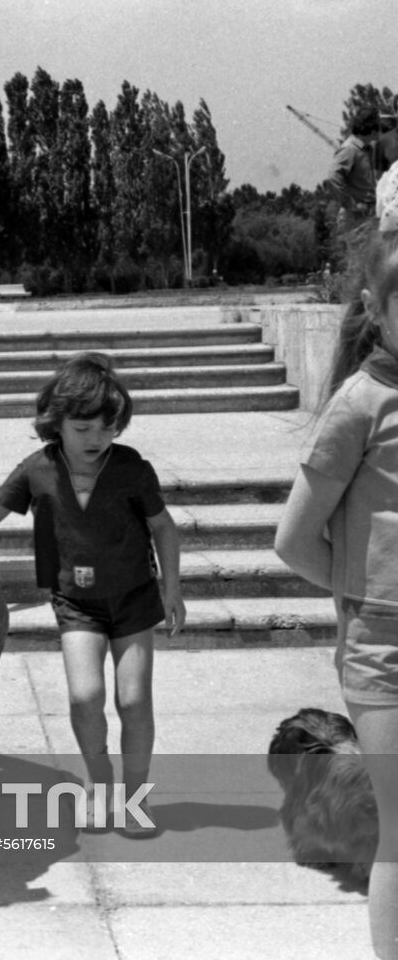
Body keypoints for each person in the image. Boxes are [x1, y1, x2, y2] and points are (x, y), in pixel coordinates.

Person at [0, 353, 185, 834]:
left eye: (107, 427)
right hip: (77, 603)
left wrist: (171, 588)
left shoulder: (133, 468)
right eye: (83, 428)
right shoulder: (38, 469)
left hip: (134, 599)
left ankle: (136, 800)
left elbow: (163, 527)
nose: (97, 438)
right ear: (57, 424)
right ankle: (99, 786)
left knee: (134, 702)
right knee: (85, 696)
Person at [274, 191, 398, 958]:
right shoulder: (360, 404)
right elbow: (294, 539)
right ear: (375, 310)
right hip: (384, 652)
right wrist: (362, 599)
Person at [327, 106, 383, 233]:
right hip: (355, 218)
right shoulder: (350, 149)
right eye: (378, 125)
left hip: (369, 215)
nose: (381, 129)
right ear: (371, 128)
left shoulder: (367, 149)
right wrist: (351, 204)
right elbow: (333, 177)